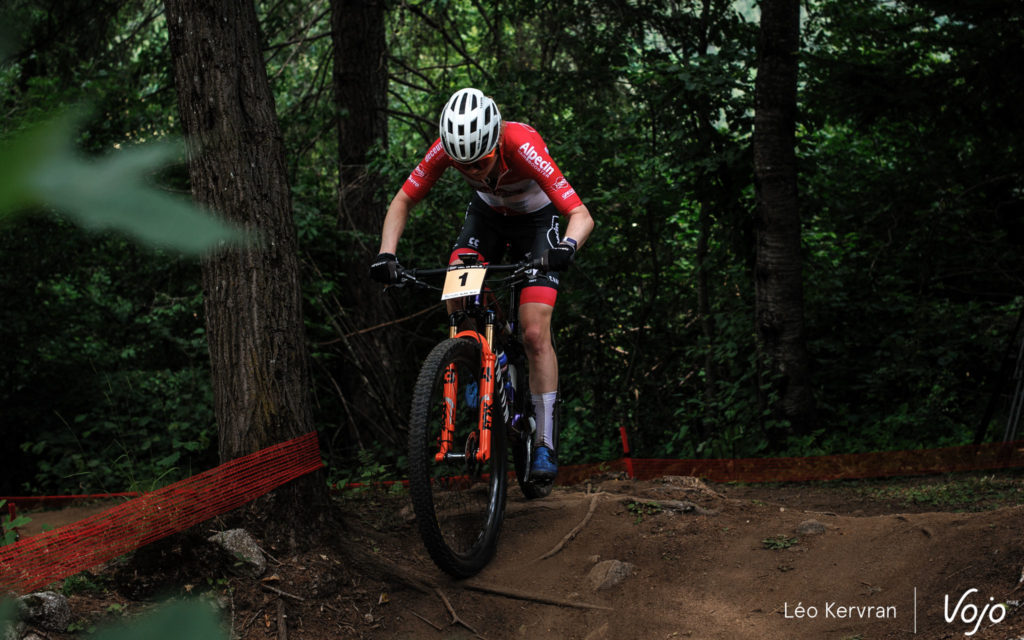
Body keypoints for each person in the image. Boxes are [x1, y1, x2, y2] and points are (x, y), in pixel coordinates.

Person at [369, 87, 594, 482]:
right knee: (457, 287)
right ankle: (483, 356)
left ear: (496, 142)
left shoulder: (521, 145)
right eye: (463, 166)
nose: (473, 172)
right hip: (487, 218)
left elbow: (581, 215)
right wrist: (387, 254)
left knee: (534, 332)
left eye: (481, 162)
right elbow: (402, 200)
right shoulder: (445, 149)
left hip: (536, 223)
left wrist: (567, 247)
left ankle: (544, 440)